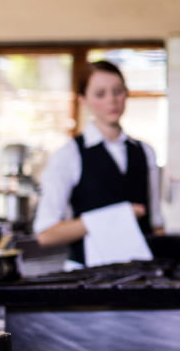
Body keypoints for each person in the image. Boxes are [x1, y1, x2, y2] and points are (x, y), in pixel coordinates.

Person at [34, 60, 163, 268]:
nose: (112, 100)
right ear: (83, 100)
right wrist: (116, 217)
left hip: (141, 274)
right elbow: (46, 235)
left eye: (118, 91)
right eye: (100, 94)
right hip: (87, 274)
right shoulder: (68, 155)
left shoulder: (145, 152)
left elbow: (156, 224)